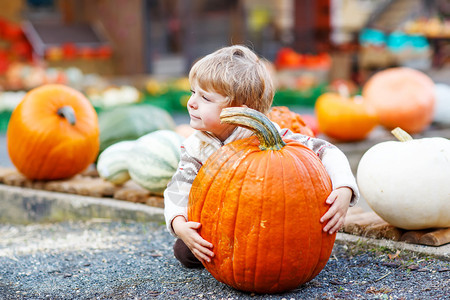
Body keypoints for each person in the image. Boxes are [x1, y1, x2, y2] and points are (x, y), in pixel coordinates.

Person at [164, 45, 359, 268]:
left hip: (269, 223)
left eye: (205, 98)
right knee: (185, 250)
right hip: (222, 222)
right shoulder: (196, 147)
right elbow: (179, 187)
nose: (191, 102)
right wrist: (179, 224)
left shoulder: (270, 136)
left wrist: (344, 188)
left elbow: (326, 150)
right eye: (192, 92)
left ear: (241, 110)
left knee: (280, 248)